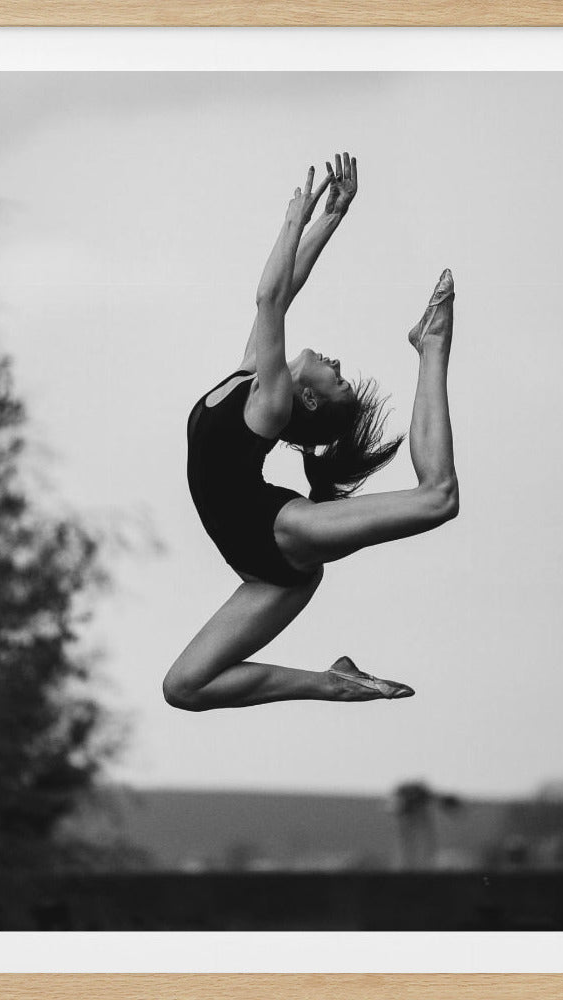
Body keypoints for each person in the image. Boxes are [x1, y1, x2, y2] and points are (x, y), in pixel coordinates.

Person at [163, 153, 458, 711]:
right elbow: (285, 290)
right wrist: (333, 216)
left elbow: (271, 297)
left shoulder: (270, 404)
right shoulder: (254, 374)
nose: (336, 362)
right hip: (265, 570)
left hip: (280, 536)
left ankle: (432, 346)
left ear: (309, 397)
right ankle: (332, 683)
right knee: (183, 688)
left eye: (338, 379)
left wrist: (294, 218)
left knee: (439, 499)